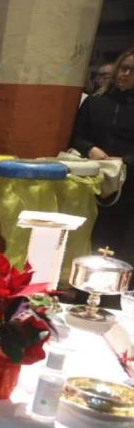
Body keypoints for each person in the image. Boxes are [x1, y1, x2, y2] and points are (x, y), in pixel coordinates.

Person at [71, 46, 134, 264]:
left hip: (128, 186)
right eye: (123, 68)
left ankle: (118, 295)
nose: (125, 74)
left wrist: (124, 160)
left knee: (121, 242)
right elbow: (75, 135)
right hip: (93, 180)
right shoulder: (95, 101)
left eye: (132, 71)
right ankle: (81, 290)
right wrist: (90, 148)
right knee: (89, 236)